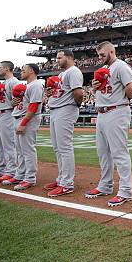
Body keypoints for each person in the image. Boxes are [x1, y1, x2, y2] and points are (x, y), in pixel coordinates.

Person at [85, 41, 132, 207]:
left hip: (117, 111)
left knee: (119, 152)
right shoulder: (104, 69)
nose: (100, 58)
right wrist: (95, 88)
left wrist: (121, 100)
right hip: (102, 113)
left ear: (112, 52)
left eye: (103, 54)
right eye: (98, 55)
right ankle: (105, 185)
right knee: (103, 152)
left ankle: (125, 191)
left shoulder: (121, 66)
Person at [45, 50, 84, 197]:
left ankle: (67, 184)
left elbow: (79, 93)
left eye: (59, 57)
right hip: (56, 110)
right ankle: (61, 179)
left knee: (64, 147)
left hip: (66, 109)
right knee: (57, 148)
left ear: (69, 57)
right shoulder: (62, 74)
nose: (57, 60)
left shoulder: (73, 71)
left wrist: (74, 106)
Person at [5, 64, 44, 191]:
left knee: (27, 150)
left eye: (23, 69)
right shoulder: (27, 86)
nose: (21, 71)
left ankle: (30, 178)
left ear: (31, 71)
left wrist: (23, 123)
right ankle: (20, 174)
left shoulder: (36, 84)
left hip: (28, 119)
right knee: (20, 150)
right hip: (18, 117)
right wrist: (13, 103)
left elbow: (34, 106)